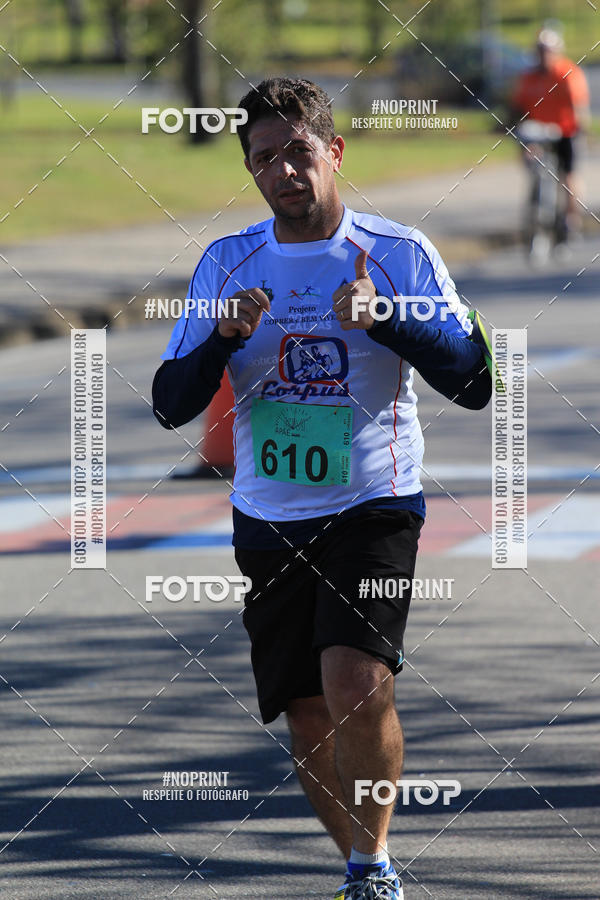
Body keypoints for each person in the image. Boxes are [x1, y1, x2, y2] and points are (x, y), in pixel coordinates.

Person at [152, 77, 492, 899]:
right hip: (268, 515)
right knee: (308, 719)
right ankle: (360, 863)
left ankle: (373, 866)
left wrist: (389, 321)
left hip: (373, 502)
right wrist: (221, 338)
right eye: (264, 159)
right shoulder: (226, 263)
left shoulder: (399, 253)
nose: (284, 172)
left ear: (334, 153)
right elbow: (170, 402)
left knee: (356, 680)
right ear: (250, 171)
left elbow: (479, 380)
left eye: (298, 152)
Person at [512, 26, 590, 242]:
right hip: (538, 134)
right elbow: (519, 109)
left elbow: (579, 110)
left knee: (569, 175)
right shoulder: (529, 77)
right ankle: (534, 216)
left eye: (547, 50)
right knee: (531, 162)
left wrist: (578, 132)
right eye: (540, 50)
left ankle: (570, 220)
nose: (544, 54)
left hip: (566, 131)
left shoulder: (569, 73)